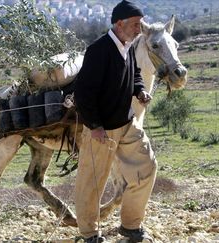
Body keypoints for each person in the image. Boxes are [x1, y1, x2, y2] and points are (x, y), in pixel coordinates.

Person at [74, 1, 157, 242]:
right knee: (92, 183)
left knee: (147, 168)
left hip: (127, 123)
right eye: (134, 24)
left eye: (140, 24)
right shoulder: (98, 50)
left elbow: (136, 74)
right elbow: (84, 94)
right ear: (119, 24)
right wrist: (95, 126)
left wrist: (139, 90)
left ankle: (130, 226)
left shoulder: (129, 46)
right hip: (102, 130)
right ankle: (89, 234)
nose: (138, 29)